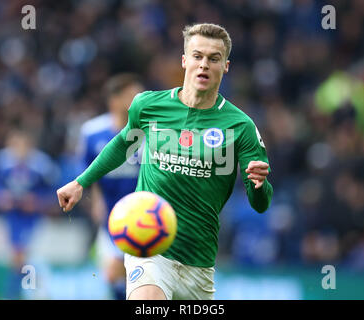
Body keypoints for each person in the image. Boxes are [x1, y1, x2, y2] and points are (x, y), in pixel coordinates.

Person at [57, 23, 273, 300]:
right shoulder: (148, 106)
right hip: (149, 246)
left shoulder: (241, 126)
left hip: (200, 260)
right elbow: (123, 143)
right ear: (185, 61)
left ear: (226, 66)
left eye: (213, 58)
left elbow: (261, 204)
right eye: (197, 56)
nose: (204, 65)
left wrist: (258, 184)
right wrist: (80, 182)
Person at [77, 73, 143, 299]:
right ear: (114, 100)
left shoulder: (149, 133)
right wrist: (96, 201)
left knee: (129, 273)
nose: (138, 99)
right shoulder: (92, 132)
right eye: (132, 95)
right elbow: (89, 172)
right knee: (113, 275)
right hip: (109, 214)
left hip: (143, 214)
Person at [0, 129, 60, 299]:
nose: (19, 150)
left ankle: (22, 294)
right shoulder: (1, 161)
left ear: (30, 146)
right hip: (12, 216)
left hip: (34, 218)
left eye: (23, 146)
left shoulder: (42, 164)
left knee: (27, 258)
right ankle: (20, 294)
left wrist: (37, 202)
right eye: (15, 146)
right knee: (17, 258)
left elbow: (55, 191)